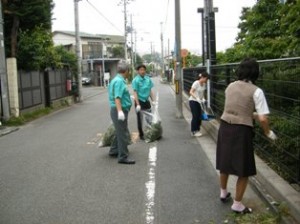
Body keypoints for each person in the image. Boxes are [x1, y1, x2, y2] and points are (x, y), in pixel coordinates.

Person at [216, 58, 277, 214]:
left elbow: (239, 107)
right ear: (256, 72)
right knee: (244, 168)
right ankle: (237, 204)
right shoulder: (256, 91)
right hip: (241, 131)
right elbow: (263, 118)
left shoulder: (230, 86)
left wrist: (253, 115)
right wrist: (268, 132)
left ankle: (223, 192)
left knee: (225, 162)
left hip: (224, 126)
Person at [108, 61, 135, 165]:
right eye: (129, 70)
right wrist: (120, 111)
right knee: (122, 133)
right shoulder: (119, 81)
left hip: (118, 109)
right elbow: (117, 97)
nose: (129, 72)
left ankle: (114, 150)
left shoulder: (117, 79)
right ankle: (122, 157)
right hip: (119, 110)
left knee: (119, 131)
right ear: (126, 70)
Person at [132, 64, 155, 140]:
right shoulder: (135, 80)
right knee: (140, 119)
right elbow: (135, 92)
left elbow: (150, 90)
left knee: (150, 117)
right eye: (141, 70)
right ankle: (141, 134)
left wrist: (153, 100)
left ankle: (150, 131)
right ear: (138, 71)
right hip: (139, 101)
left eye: (144, 70)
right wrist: (137, 104)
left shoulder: (148, 79)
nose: (143, 71)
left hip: (146, 101)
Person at [189, 72, 209, 137]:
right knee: (195, 116)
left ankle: (197, 130)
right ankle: (193, 131)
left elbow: (202, 94)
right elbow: (191, 92)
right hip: (193, 101)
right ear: (203, 77)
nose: (207, 80)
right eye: (206, 79)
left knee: (199, 116)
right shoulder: (196, 83)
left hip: (199, 102)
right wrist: (196, 98)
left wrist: (203, 99)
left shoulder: (204, 84)